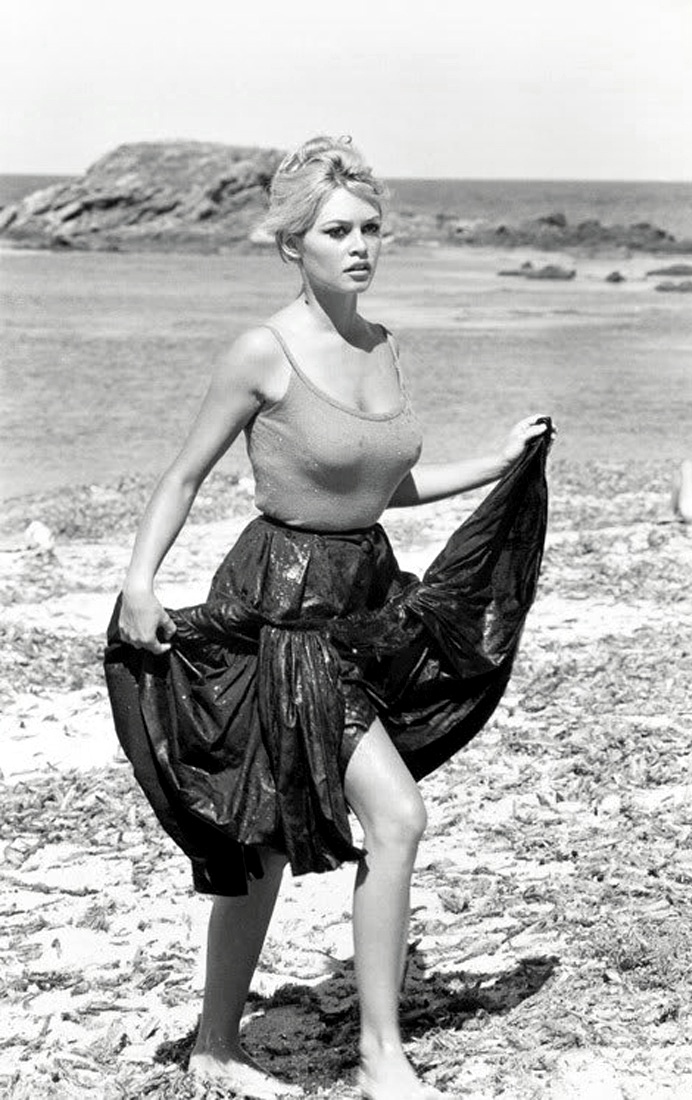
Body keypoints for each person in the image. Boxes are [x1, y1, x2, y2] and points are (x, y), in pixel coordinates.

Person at [104, 135, 554, 1100]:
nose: (359, 247)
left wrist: (497, 460)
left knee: (271, 836)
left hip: (365, 603)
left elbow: (380, 487)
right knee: (393, 814)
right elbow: (183, 476)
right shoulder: (261, 351)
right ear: (291, 244)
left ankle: (218, 1045)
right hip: (284, 611)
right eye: (337, 231)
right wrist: (140, 581)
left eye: (370, 229)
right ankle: (377, 1057)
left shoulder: (383, 344)